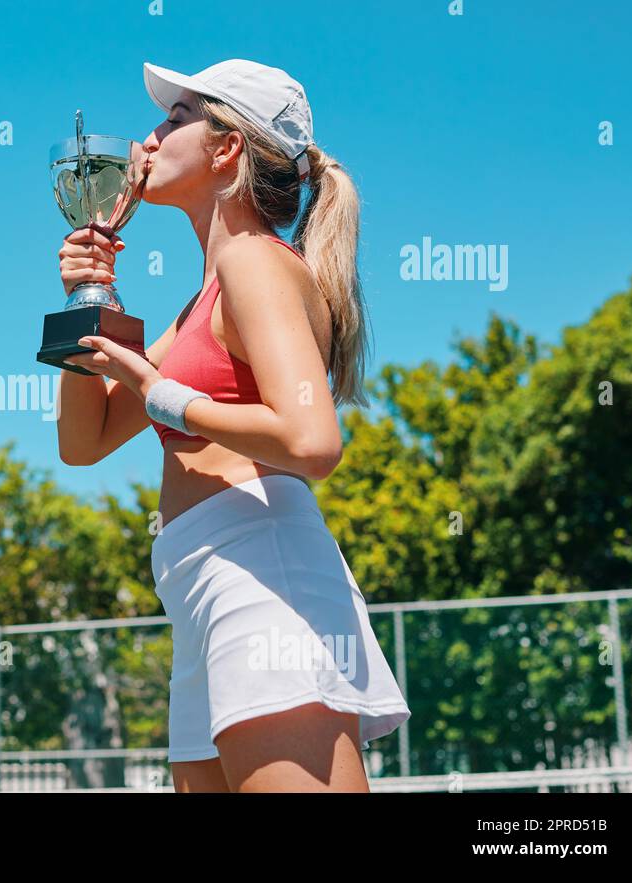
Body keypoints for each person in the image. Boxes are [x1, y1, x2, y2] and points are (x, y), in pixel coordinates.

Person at [54, 59, 410, 792]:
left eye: (177, 118)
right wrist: (91, 294)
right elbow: (82, 443)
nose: (149, 139)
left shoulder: (254, 262)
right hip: (203, 590)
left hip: (261, 575)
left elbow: (312, 441)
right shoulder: (199, 305)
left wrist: (167, 397)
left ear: (227, 149)